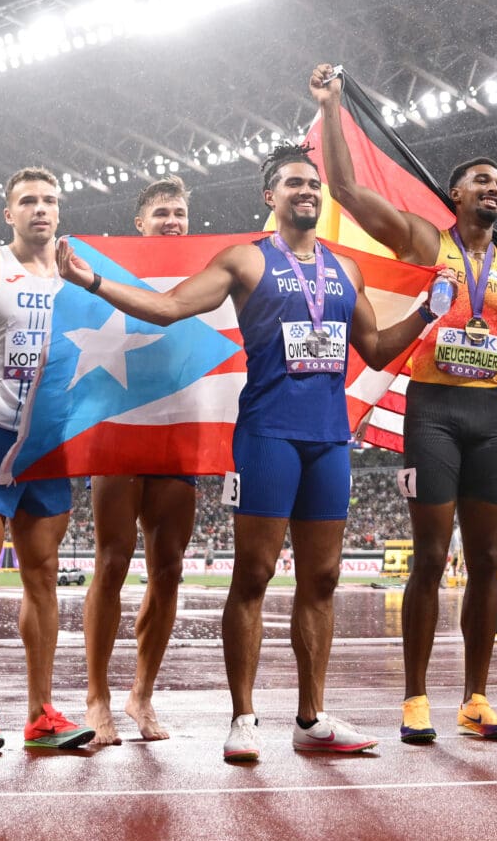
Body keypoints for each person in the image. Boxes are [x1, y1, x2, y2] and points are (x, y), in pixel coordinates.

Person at [57, 146, 445, 762]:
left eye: (314, 184)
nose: (308, 192)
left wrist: (427, 312)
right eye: (294, 183)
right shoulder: (245, 260)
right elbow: (170, 307)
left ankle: (311, 718)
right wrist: (93, 280)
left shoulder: (347, 271)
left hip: (328, 441)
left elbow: (372, 350)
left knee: (322, 578)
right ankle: (243, 716)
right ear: (271, 198)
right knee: (255, 576)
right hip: (267, 436)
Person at [309, 65, 497, 745]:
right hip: (433, 409)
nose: (494, 187)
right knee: (431, 557)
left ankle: (477, 697)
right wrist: (334, 106)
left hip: (489, 416)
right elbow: (344, 188)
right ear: (454, 193)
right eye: (481, 180)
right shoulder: (425, 239)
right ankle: (415, 698)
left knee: (488, 559)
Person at [0, 168, 94, 752]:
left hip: (50, 443)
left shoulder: (79, 277)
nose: (40, 209)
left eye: (50, 200)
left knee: (44, 576)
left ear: (60, 211)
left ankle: (41, 713)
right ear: (8, 213)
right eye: (28, 201)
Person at [84, 177, 202, 745]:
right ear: (140, 223)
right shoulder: (110, 268)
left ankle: (142, 695)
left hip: (178, 428)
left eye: (180, 212)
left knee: (169, 568)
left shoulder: (207, 273)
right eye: (161, 212)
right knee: (111, 562)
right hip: (120, 425)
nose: (172, 220)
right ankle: (97, 697)